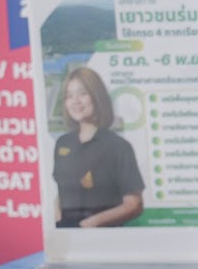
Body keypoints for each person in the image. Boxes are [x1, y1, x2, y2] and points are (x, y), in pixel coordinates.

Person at [52, 66, 144, 228]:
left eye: (82, 94)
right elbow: (64, 190)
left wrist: (89, 225)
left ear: (97, 96)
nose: (75, 101)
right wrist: (56, 216)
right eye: (69, 96)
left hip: (102, 237)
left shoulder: (119, 147)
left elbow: (134, 204)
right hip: (65, 234)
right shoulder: (63, 143)